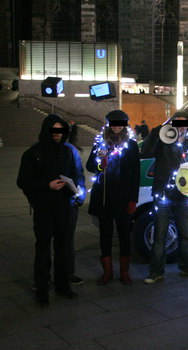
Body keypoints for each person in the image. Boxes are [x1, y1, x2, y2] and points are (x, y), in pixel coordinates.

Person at [17, 114, 79, 307]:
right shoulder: (33, 153)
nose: (57, 134)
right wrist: (47, 185)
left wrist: (72, 187)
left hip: (63, 207)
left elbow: (75, 175)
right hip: (44, 208)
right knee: (43, 249)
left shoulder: (67, 152)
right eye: (54, 130)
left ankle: (62, 285)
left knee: (62, 248)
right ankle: (42, 290)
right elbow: (23, 181)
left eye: (61, 131)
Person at [141, 111, 188, 283]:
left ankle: (186, 267)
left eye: (184, 124)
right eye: (177, 124)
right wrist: (154, 134)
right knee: (159, 237)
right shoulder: (163, 139)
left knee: (185, 236)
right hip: (163, 196)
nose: (181, 127)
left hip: (184, 196)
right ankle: (156, 271)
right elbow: (145, 151)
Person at [86, 110, 140, 285]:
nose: (116, 126)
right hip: (104, 197)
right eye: (113, 123)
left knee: (124, 234)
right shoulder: (101, 144)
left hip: (123, 197)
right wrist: (99, 165)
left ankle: (124, 272)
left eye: (120, 123)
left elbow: (136, 174)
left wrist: (133, 199)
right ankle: (107, 272)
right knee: (105, 234)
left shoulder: (131, 145)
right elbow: (90, 165)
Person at [64, 140, 86, 286]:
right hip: (47, 205)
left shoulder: (70, 150)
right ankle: (42, 277)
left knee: (67, 241)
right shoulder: (37, 151)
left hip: (69, 203)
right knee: (44, 243)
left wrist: (81, 195)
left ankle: (67, 273)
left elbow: (79, 174)